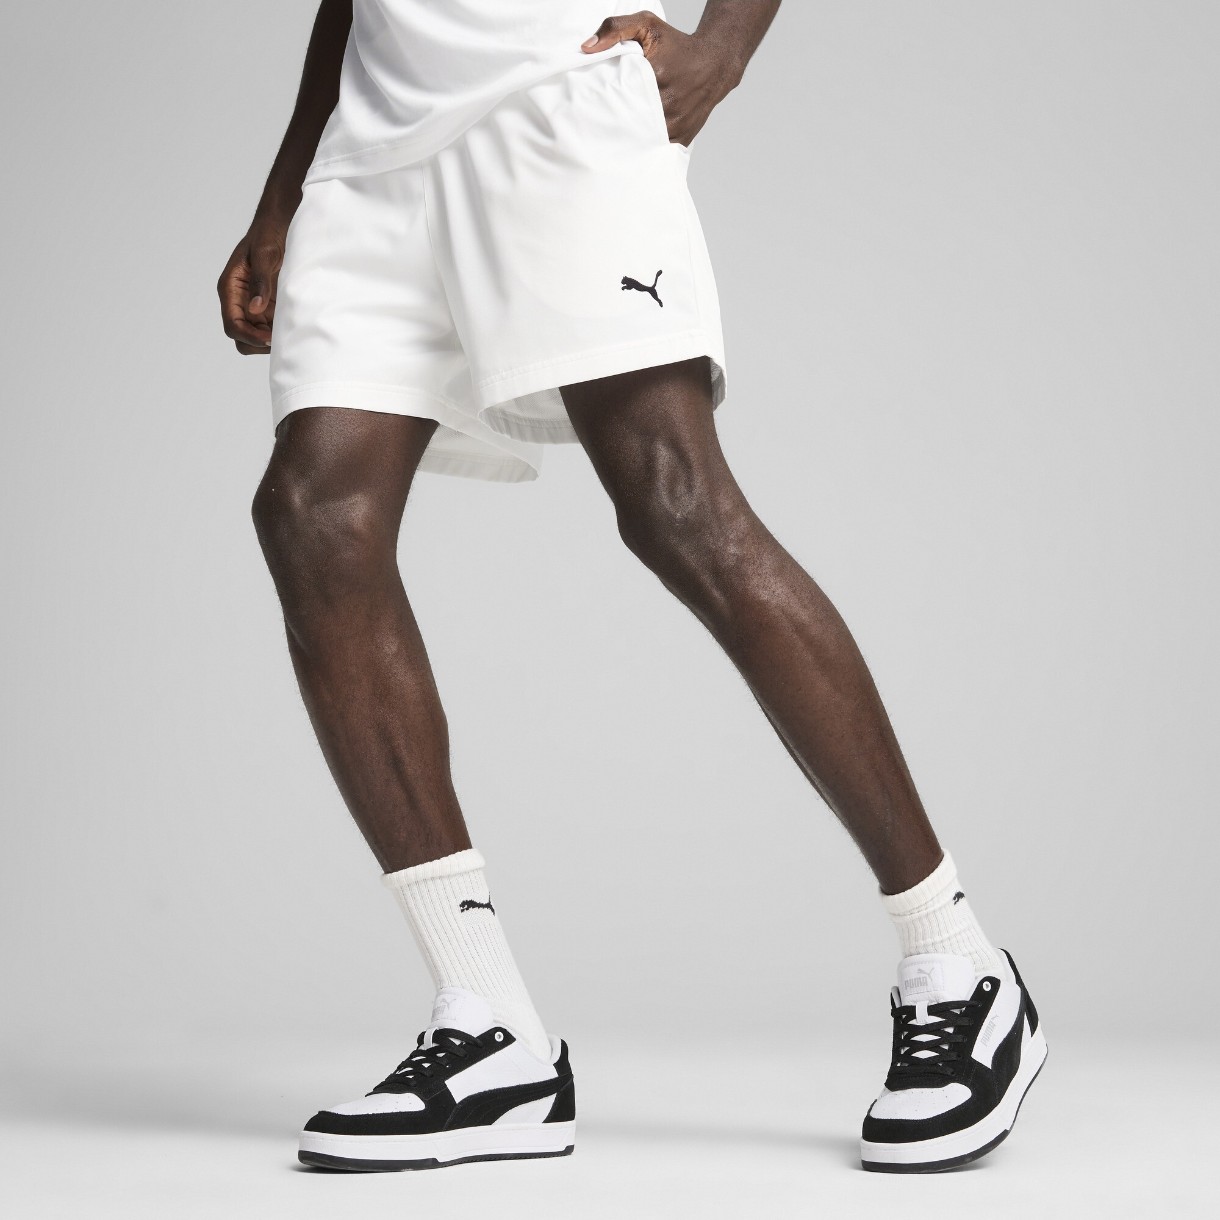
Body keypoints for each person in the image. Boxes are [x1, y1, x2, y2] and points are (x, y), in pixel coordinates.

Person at [217, 0, 1045, 1175]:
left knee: (675, 505)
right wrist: (283, 192)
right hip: (372, 150)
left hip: (551, 103)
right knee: (312, 519)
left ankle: (954, 956)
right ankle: (490, 1029)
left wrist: (725, 49)